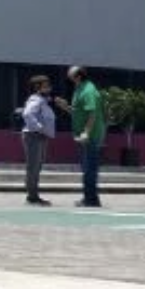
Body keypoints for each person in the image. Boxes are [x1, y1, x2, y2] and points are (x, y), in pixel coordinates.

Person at [52, 66, 106, 208]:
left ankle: (91, 200)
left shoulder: (88, 90)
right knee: (86, 168)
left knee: (89, 169)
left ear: (78, 76)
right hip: (83, 136)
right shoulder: (79, 89)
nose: (68, 77)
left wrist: (86, 132)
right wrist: (65, 107)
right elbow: (78, 112)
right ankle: (89, 197)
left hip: (91, 136)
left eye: (70, 74)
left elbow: (92, 113)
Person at [20, 75, 56, 206]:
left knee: (37, 167)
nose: (49, 88)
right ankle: (31, 197)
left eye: (49, 85)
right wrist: (39, 128)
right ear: (37, 87)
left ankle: (34, 195)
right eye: (46, 86)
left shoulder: (43, 100)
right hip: (33, 135)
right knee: (33, 167)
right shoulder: (36, 99)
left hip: (39, 136)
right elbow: (27, 114)